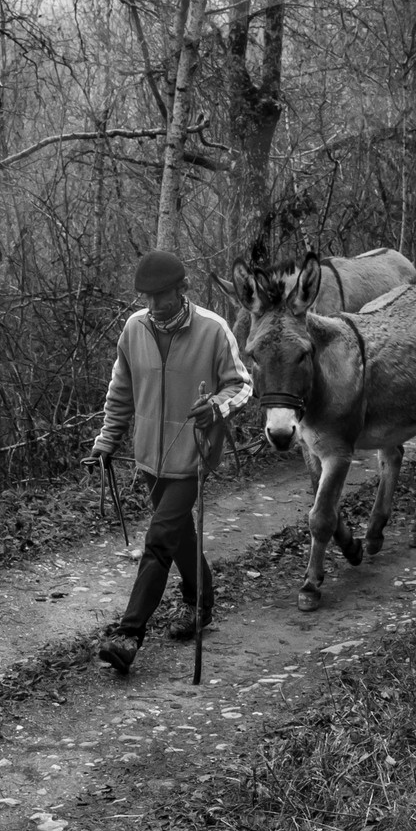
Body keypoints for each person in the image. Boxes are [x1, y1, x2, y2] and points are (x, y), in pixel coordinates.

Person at [84, 250, 252, 674]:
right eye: (148, 296)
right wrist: (107, 442)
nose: (155, 305)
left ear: (182, 289)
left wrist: (215, 408)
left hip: (194, 455)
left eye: (163, 295)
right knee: (178, 536)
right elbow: (121, 392)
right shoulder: (134, 329)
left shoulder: (213, 330)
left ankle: (129, 635)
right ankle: (201, 604)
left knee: (159, 539)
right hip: (148, 459)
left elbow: (242, 385)